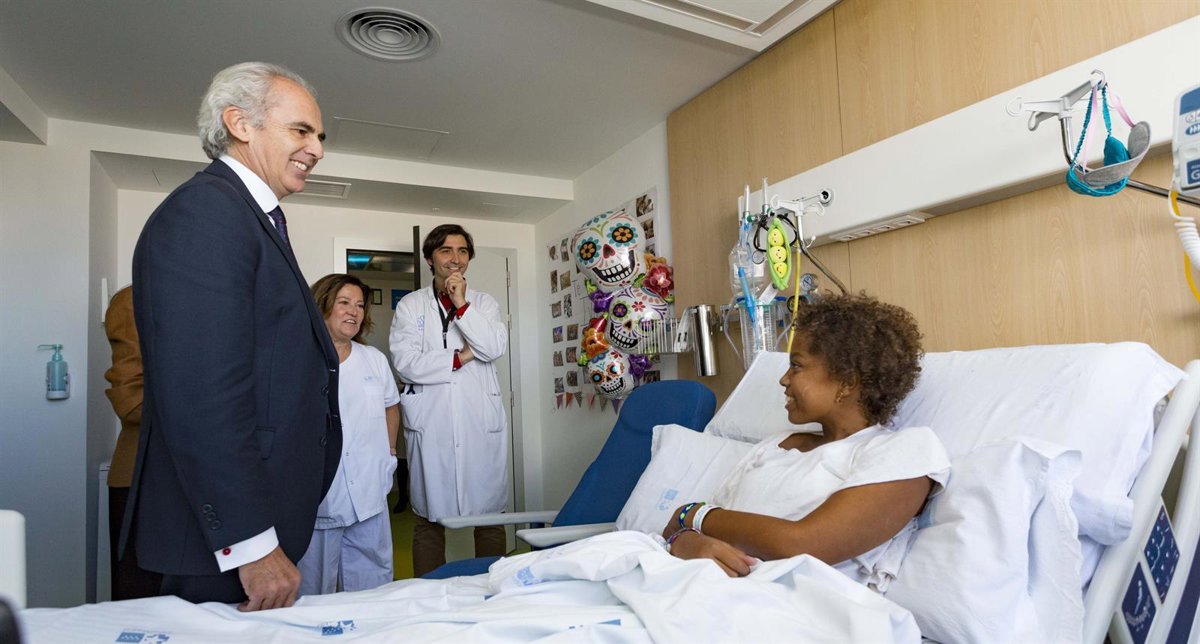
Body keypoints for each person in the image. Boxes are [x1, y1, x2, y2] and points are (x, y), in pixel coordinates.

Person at [124, 62, 341, 610]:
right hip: (223, 544)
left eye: (320, 136)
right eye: (301, 130)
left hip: (255, 523)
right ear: (240, 124)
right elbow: (202, 392)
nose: (317, 149)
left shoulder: (250, 218)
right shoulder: (207, 212)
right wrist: (251, 544)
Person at [662, 294, 950, 591]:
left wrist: (691, 514)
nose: (784, 379)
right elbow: (691, 529)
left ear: (847, 382)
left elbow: (804, 543)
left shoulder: (904, 450)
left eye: (796, 366)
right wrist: (684, 541)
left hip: (784, 603)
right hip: (702, 585)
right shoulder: (777, 445)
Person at [389, 224, 509, 577]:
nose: (455, 259)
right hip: (432, 422)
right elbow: (406, 363)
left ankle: (493, 590)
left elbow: (493, 347)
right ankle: (428, 590)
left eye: (462, 251)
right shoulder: (411, 306)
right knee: (429, 519)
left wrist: (461, 304)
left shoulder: (484, 303)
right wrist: (461, 357)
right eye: (445, 250)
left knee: (488, 516)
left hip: (478, 421)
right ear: (430, 258)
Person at [298, 274, 400, 594]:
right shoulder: (299, 359)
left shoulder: (373, 359)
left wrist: (389, 454)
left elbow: (391, 406)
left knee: (373, 589)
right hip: (320, 498)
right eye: (344, 303)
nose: (353, 311)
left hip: (369, 492)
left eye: (359, 305)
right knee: (313, 593)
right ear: (322, 306)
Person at [102, 285, 162, 600]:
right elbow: (130, 402)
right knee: (140, 599)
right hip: (141, 477)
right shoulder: (134, 300)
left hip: (198, 480)